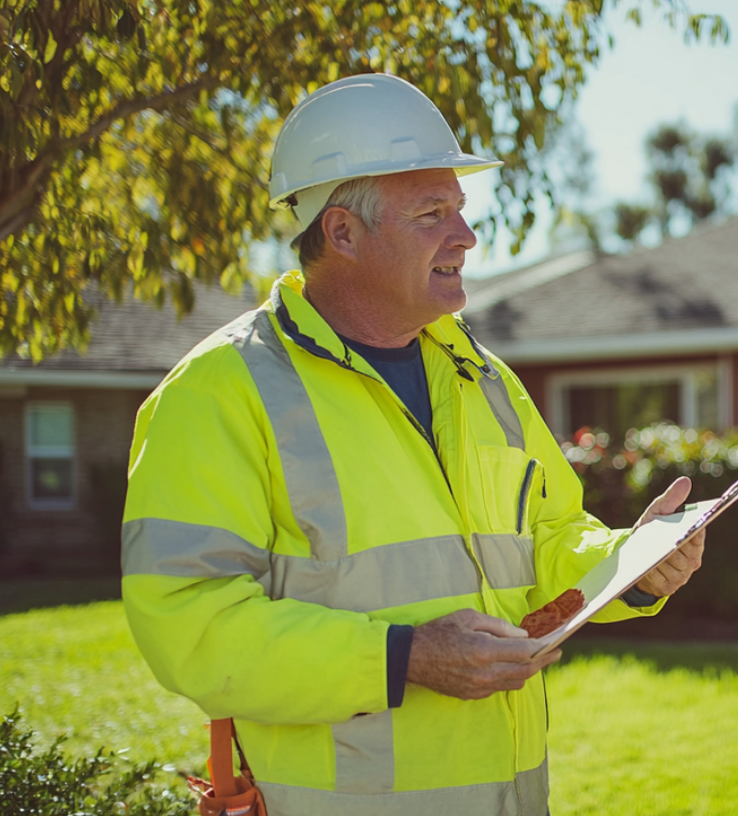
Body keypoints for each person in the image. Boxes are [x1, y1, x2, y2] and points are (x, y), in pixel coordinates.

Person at [121, 73, 705, 816]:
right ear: (341, 232)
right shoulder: (218, 392)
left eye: (460, 210)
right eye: (432, 213)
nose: (466, 236)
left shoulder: (483, 378)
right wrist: (406, 658)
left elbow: (551, 536)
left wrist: (632, 563)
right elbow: (189, 624)